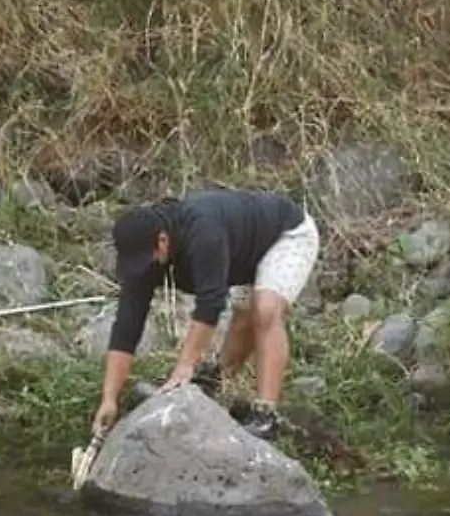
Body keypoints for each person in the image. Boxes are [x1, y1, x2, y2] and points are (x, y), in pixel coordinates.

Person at [91, 187, 320, 441]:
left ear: (163, 240)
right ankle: (217, 383)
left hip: (285, 235)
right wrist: (109, 399)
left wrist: (184, 367)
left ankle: (266, 415)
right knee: (243, 321)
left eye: (148, 258)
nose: (145, 267)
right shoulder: (143, 257)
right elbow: (127, 326)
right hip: (241, 253)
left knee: (264, 312)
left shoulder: (203, 233)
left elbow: (211, 303)